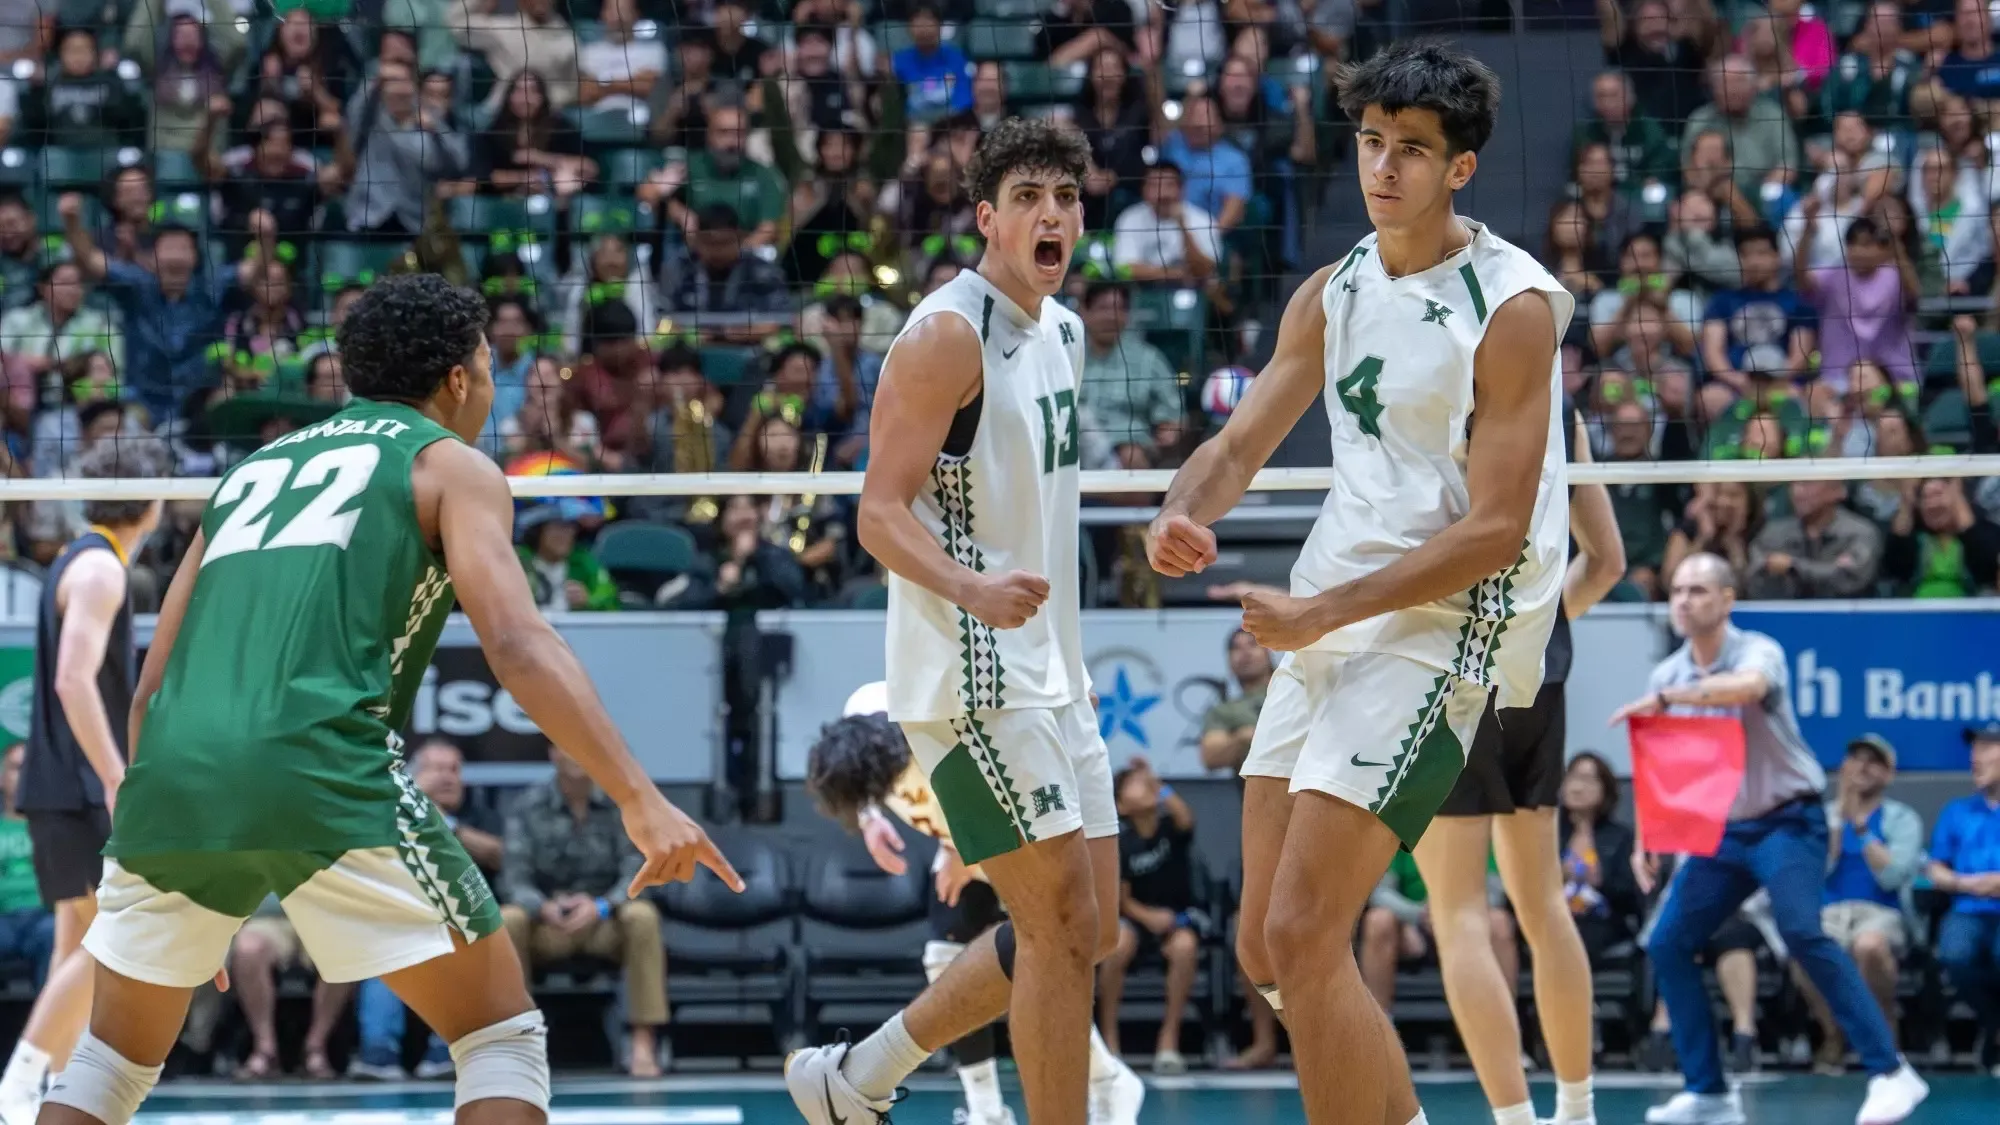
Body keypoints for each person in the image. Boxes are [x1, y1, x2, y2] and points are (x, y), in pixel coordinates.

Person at [35, 274, 740, 1125]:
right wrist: (638, 794)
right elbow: (518, 644)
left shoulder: (251, 471)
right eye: (485, 366)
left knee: (108, 1064)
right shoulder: (451, 465)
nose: (486, 385)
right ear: (457, 379)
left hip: (173, 785)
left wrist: (193, 876)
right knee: (500, 1037)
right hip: (321, 768)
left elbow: (153, 682)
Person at [1148, 42, 1572, 1125]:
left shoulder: (1512, 304)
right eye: (1371, 143)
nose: (1383, 167)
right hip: (1324, 621)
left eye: (1412, 151)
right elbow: (1237, 445)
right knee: (1263, 950)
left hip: (1433, 632)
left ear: (1459, 169)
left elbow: (1492, 532)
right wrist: (1182, 509)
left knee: (1304, 932)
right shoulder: (1330, 291)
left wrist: (1318, 610)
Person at [784, 118, 1132, 1125]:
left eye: (1064, 197)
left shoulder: (1062, 331)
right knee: (1060, 925)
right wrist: (974, 590)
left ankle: (863, 1074)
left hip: (1053, 677)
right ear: (987, 218)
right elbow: (876, 514)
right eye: (1027, 197)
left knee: (1087, 929)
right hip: (974, 675)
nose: (1050, 214)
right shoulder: (945, 333)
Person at [1609, 552, 1927, 1125]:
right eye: (1678, 590)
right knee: (1666, 943)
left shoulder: (1759, 651)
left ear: (1727, 600)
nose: (1684, 600)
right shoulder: (1668, 675)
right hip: (1724, 832)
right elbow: (1668, 769)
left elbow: (1747, 689)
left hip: (1788, 820)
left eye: (1699, 590)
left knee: (1802, 928)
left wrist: (1670, 701)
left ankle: (1891, 1072)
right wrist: (1647, 837)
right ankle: (1709, 1091)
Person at [1412, 403, 1625, 1125]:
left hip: (1454, 667)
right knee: (1541, 903)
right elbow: (1609, 561)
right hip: (1539, 670)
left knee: (1459, 910)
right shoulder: (1558, 402)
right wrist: (1546, 624)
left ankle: (1514, 1118)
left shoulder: (1429, 386)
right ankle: (1577, 1107)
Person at [803, 682, 1142, 1125]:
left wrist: (962, 851)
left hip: (1017, 833)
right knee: (945, 961)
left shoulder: (945, 729)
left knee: (1053, 956)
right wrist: (869, 820)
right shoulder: (864, 717)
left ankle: (1107, 1081)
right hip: (964, 842)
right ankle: (986, 1110)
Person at [1, 441, 164, 1125]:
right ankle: (22, 1079)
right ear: (152, 501)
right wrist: (114, 773)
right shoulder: (100, 567)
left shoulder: (83, 559)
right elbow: (73, 678)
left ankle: (60, 1085)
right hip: (76, 788)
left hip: (55, 786)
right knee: (110, 942)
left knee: (78, 942)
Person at [1802, 735, 1924, 1075]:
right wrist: (1840, 819)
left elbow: (1893, 876)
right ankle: (1834, 1035)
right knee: (1802, 943)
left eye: (1873, 762)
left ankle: (1885, 1035)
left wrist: (1861, 827)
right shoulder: (1821, 816)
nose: (1862, 767)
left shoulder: (1902, 818)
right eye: (1855, 759)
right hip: (1829, 911)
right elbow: (1816, 871)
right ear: (1843, 768)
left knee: (1869, 946)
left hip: (1881, 912)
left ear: (1888, 775)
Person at [1098, 759, 1205, 1073]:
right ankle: (1110, 1041)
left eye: (1145, 782)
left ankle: (1168, 1039)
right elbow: (1122, 900)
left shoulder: (1171, 827)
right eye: (1133, 783)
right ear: (1120, 804)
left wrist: (1156, 782)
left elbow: (1186, 816)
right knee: (1117, 946)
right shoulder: (1122, 841)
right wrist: (1148, 918)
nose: (1142, 785)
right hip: (1136, 919)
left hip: (1176, 920)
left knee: (1185, 947)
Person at [1926, 722, 2000, 1074]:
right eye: (1975, 749)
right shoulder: (1957, 811)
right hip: (1968, 907)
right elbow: (1934, 867)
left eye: (1987, 748)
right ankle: (1994, 1025)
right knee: (1955, 954)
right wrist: (1964, 883)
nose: (1976, 757)